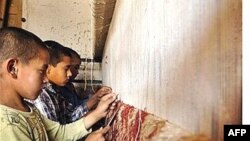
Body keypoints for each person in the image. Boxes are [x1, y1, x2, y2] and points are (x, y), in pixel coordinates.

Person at [0, 27, 116, 141]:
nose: (46, 80)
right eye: (41, 71)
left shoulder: (28, 108)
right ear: (13, 68)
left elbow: (58, 134)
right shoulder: (7, 125)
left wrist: (98, 113)